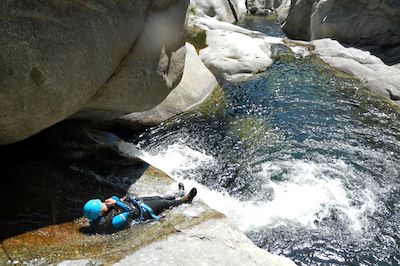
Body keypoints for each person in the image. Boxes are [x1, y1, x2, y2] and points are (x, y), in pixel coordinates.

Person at [82, 183, 197, 233]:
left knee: (158, 197)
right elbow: (130, 212)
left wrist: (114, 200)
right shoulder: (113, 221)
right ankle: (185, 200)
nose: (103, 203)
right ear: (100, 212)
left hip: (136, 203)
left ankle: (178, 195)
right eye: (101, 204)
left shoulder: (100, 213)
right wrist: (116, 203)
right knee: (163, 203)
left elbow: (115, 198)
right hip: (143, 211)